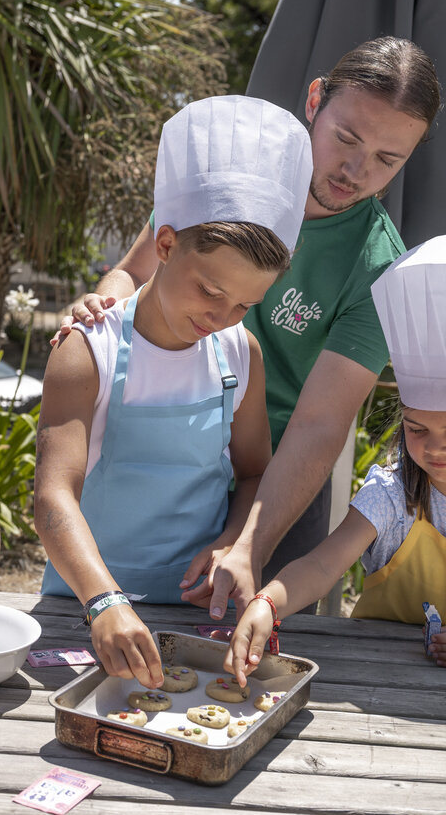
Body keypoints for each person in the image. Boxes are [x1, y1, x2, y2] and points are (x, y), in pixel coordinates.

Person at [60, 37, 442, 618]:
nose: (356, 170)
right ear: (315, 99)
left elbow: (320, 424)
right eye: (347, 138)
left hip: (273, 487)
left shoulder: (381, 267)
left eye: (389, 159)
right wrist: (100, 303)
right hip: (161, 447)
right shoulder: (229, 170)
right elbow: (133, 271)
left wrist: (247, 544)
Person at [34, 95, 313, 689]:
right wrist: (104, 603)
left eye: (244, 304)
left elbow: (256, 475)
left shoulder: (242, 355)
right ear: (164, 246)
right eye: (210, 289)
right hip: (84, 607)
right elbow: (53, 496)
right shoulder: (88, 349)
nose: (222, 314)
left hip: (195, 621)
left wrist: (230, 542)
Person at [225, 233, 446, 693]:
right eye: (416, 428)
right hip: (373, 684)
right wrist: (269, 601)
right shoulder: (391, 495)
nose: (436, 448)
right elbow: (322, 567)